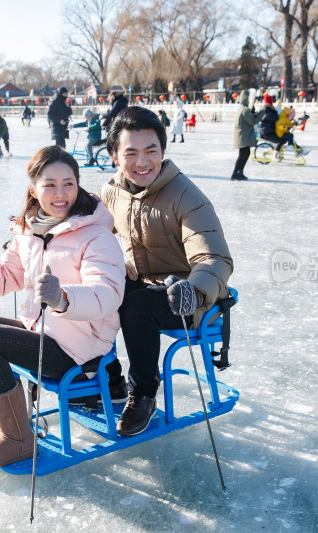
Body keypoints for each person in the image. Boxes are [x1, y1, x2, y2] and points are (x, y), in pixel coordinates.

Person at [0, 145, 126, 468]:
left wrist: (63, 298)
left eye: (68, 183)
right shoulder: (29, 233)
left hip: (79, 347)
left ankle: (19, 438)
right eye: (49, 184)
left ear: (78, 185)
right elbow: (2, 280)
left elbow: (107, 294)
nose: (60, 193)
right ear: (33, 189)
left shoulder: (96, 235)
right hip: (41, 332)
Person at [98, 106, 233, 437]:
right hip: (143, 285)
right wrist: (36, 234)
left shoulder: (186, 196)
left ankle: (143, 393)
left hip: (190, 300)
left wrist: (195, 290)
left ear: (163, 151)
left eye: (150, 151)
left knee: (138, 306)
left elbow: (215, 257)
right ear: (115, 156)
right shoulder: (111, 192)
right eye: (131, 153)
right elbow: (83, 232)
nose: (142, 162)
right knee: (99, 288)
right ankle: (106, 377)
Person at [231, 89, 260, 181]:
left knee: (245, 153)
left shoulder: (244, 109)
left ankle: (239, 172)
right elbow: (252, 121)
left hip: (243, 135)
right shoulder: (244, 110)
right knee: (243, 154)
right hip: (243, 136)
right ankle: (236, 173)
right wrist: (261, 114)